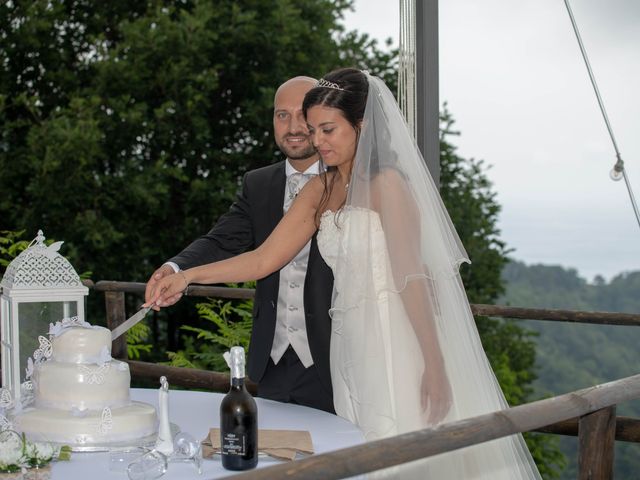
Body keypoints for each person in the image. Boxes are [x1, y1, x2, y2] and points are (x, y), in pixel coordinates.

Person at [146, 68, 541, 478]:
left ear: (361, 125)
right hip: (346, 345)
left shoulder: (388, 185)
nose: (317, 140)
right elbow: (264, 259)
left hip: (395, 340)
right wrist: (188, 276)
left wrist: (434, 363)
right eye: (314, 129)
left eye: (328, 129)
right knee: (357, 457)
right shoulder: (321, 188)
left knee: (405, 457)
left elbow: (412, 279)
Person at [144, 76, 335, 414]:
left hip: (335, 359)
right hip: (272, 361)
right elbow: (221, 239)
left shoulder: (349, 180)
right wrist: (174, 268)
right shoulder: (258, 183)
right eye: (281, 115)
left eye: (302, 114)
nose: (293, 126)